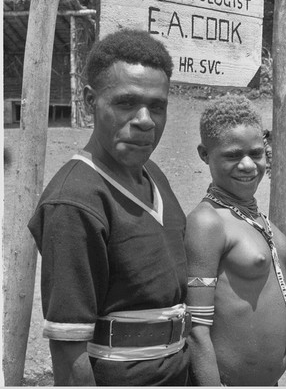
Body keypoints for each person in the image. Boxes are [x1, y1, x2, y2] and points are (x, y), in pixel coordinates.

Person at [28, 29, 191, 386]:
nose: (145, 119)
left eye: (157, 106)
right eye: (126, 103)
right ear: (89, 101)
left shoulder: (153, 175)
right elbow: (69, 351)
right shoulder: (75, 202)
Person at [185, 94, 286, 386]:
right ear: (204, 154)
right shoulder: (208, 222)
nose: (248, 165)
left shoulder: (250, 214)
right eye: (233, 155)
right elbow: (197, 330)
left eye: (256, 153)